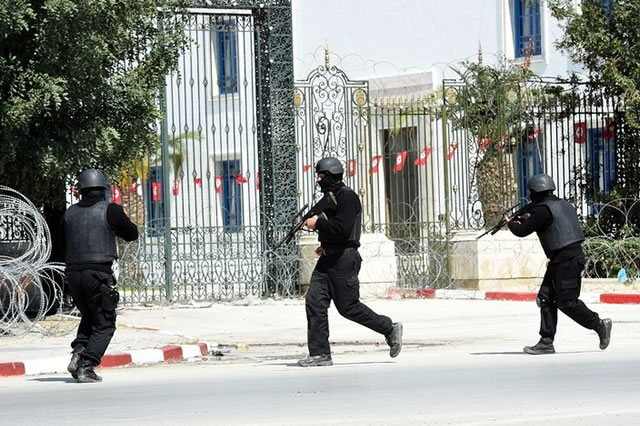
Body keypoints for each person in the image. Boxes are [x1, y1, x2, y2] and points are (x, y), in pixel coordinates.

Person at [297, 157, 402, 367]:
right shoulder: (330, 197)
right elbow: (334, 230)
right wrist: (325, 244)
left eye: (321, 176)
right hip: (329, 258)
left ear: (331, 175)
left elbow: (342, 229)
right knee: (314, 302)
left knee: (348, 308)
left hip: (344, 260)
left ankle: (389, 328)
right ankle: (320, 354)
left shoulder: (347, 197)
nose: (318, 180)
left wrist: (317, 223)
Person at [505, 173, 612, 355]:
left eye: (531, 192)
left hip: (567, 261)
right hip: (561, 259)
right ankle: (546, 341)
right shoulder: (563, 204)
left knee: (567, 302)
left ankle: (599, 324)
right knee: (545, 298)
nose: (530, 196)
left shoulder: (542, 210)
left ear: (536, 191)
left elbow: (522, 230)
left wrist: (511, 223)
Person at [61, 168, 138, 382]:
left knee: (89, 315)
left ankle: (77, 354)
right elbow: (132, 233)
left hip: (73, 274)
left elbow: (62, 244)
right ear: (103, 188)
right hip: (98, 274)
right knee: (105, 322)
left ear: (80, 190)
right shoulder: (110, 210)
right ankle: (87, 364)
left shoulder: (69, 213)